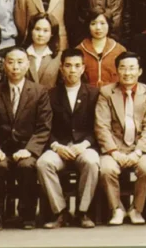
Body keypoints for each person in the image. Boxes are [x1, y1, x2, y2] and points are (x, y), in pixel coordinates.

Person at [0, 45, 52, 230]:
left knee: (27, 166)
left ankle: (27, 216)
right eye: (10, 62)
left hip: (26, 148)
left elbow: (44, 128)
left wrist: (29, 150)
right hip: (2, 148)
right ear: (4, 65)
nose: (15, 67)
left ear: (28, 65)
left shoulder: (39, 92)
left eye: (20, 62)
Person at [36, 48, 100, 229]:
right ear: (61, 68)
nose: (72, 70)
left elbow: (99, 127)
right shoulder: (49, 95)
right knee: (43, 163)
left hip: (84, 147)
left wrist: (85, 144)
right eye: (68, 66)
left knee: (92, 161)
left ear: (83, 69)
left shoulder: (94, 94)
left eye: (77, 66)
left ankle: (82, 212)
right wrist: (56, 146)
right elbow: (44, 126)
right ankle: (60, 212)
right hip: (59, 147)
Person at [95, 52, 146, 225]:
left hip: (139, 147)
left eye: (132, 68)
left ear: (140, 71)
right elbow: (102, 126)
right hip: (115, 147)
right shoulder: (106, 92)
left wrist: (138, 152)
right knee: (106, 169)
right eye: (123, 68)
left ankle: (136, 209)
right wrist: (114, 152)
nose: (127, 72)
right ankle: (117, 209)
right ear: (117, 71)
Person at [77, 13, 126, 87]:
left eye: (102, 23)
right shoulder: (79, 50)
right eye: (93, 24)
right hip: (87, 95)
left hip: (113, 94)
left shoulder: (119, 50)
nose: (98, 28)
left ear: (109, 25)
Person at [22, 13, 61, 87]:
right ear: (31, 31)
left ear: (52, 33)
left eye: (45, 31)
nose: (40, 34)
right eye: (37, 29)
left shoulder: (58, 57)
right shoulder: (22, 53)